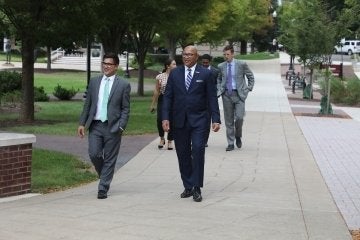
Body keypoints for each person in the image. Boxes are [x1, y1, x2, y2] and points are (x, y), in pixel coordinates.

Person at [162, 45, 221, 202]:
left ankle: (196, 187)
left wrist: (216, 119)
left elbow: (212, 97)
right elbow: (168, 96)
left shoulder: (206, 74)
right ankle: (187, 185)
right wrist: (165, 117)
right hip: (179, 120)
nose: (186, 57)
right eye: (184, 54)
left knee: (198, 149)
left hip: (200, 120)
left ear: (197, 57)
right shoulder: (175, 73)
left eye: (190, 54)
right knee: (183, 153)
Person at [77, 52, 131, 199]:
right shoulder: (94, 82)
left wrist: (121, 126)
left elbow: (125, 108)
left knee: (110, 158)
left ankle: (103, 188)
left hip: (113, 127)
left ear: (116, 66)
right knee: (94, 154)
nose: (106, 66)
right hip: (95, 125)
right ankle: (105, 175)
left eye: (109, 64)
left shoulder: (124, 84)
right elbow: (87, 105)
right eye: (104, 63)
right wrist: (82, 123)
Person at [217, 45, 255, 151]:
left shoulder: (241, 64)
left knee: (239, 118)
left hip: (239, 95)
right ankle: (230, 143)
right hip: (226, 95)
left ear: (233, 54)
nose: (226, 56)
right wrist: (219, 89)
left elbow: (250, 77)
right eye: (224, 54)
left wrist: (248, 88)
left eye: (228, 54)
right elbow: (219, 79)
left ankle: (238, 135)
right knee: (228, 120)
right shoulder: (221, 66)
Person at [150, 58, 177, 150]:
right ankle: (162, 138)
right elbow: (157, 91)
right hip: (163, 99)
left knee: (172, 120)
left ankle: (170, 141)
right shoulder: (160, 77)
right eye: (174, 64)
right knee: (160, 119)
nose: (175, 66)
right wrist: (153, 104)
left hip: (174, 100)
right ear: (168, 66)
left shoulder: (178, 76)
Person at [201, 54, 220, 147]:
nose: (204, 64)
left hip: (209, 100)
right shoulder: (198, 70)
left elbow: (218, 84)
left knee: (207, 120)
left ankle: (204, 140)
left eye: (206, 63)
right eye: (203, 62)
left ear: (210, 62)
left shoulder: (215, 72)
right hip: (199, 99)